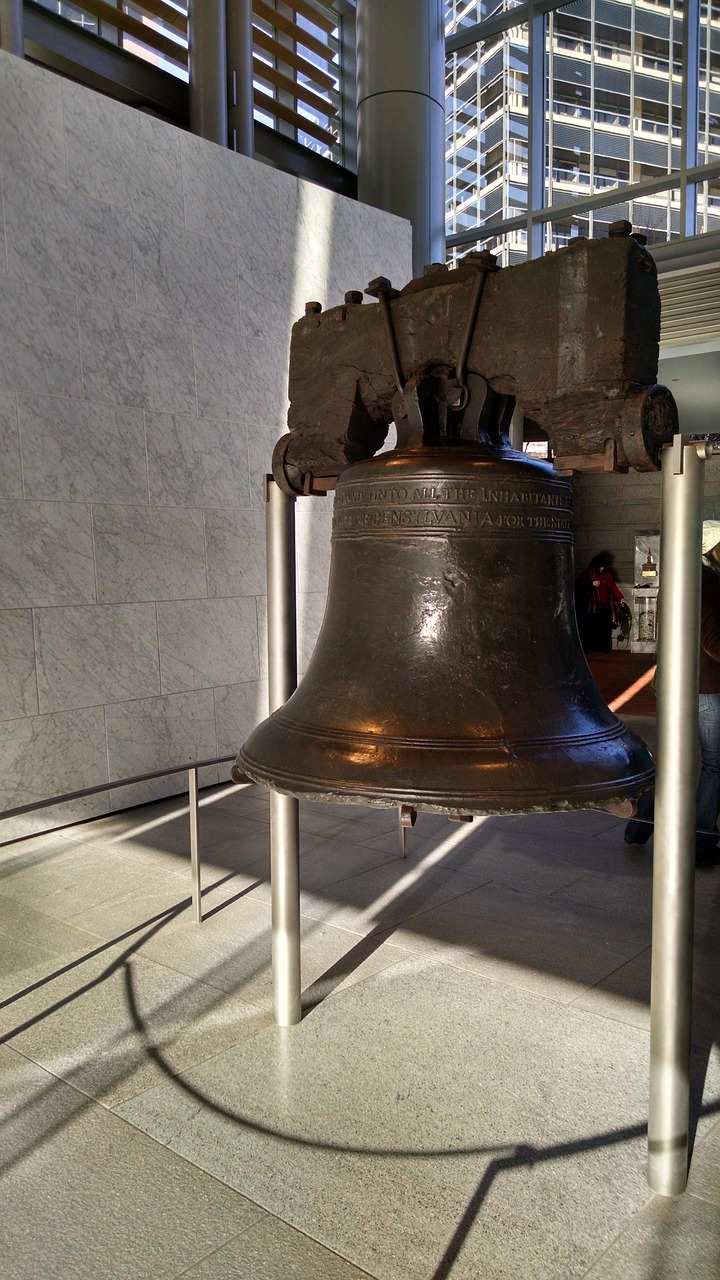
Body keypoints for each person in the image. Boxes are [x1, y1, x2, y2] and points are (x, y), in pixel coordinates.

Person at [624, 519, 720, 866]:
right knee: (715, 765)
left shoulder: (678, 581)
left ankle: (639, 828)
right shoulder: (705, 584)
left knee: (673, 763)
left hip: (678, 684)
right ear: (711, 549)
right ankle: (702, 840)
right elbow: (712, 642)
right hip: (705, 688)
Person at [574, 552, 628, 654]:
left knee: (605, 627)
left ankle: (603, 648)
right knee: (592, 627)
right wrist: (591, 584)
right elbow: (579, 585)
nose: (602, 569)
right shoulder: (588, 574)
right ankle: (592, 648)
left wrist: (620, 598)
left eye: (603, 567)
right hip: (593, 606)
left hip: (605, 605)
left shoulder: (607, 575)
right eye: (600, 567)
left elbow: (613, 587)